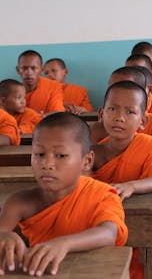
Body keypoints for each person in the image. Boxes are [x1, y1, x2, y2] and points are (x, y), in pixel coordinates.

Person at [0, 112, 128, 276]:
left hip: (95, 273)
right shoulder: (20, 201)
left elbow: (109, 233)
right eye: (39, 154)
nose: (47, 164)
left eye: (60, 155)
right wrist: (5, 237)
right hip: (46, 272)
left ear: (87, 161)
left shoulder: (102, 194)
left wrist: (64, 244)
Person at [91, 81, 152, 279]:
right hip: (102, 220)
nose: (119, 117)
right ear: (101, 114)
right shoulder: (92, 152)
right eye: (113, 109)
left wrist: (132, 186)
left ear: (143, 121)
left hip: (143, 219)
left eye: (130, 112)